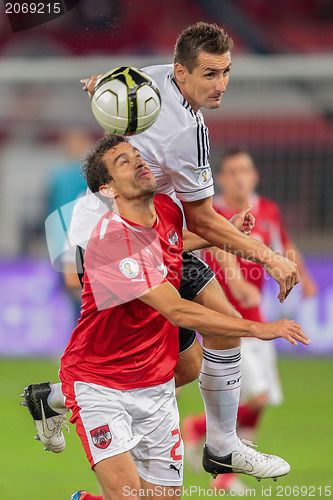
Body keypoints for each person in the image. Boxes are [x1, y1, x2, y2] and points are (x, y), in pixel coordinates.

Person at [22, 22, 300, 481]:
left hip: (151, 229)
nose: (221, 85)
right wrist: (268, 257)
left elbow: (112, 82)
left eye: (226, 72)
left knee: (187, 365)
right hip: (114, 238)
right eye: (210, 74)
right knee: (212, 326)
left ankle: (53, 396)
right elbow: (202, 219)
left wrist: (98, 87)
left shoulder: (152, 81)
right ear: (181, 72)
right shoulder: (187, 135)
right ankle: (222, 447)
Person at [54, 136, 309, 499]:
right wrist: (258, 328)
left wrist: (225, 234)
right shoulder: (111, 241)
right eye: (125, 162)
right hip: (100, 385)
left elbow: (174, 239)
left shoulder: (166, 210)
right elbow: (176, 309)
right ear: (107, 188)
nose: (141, 163)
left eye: (138, 156)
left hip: (155, 387)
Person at [183, 148, 316, 492]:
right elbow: (216, 246)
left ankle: (226, 474)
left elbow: (283, 243)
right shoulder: (213, 212)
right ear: (222, 178)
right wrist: (237, 281)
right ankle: (199, 430)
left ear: (254, 176)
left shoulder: (267, 209)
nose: (240, 177)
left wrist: (305, 274)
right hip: (227, 314)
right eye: (233, 171)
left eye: (246, 170)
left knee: (262, 398)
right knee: (255, 396)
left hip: (256, 315)